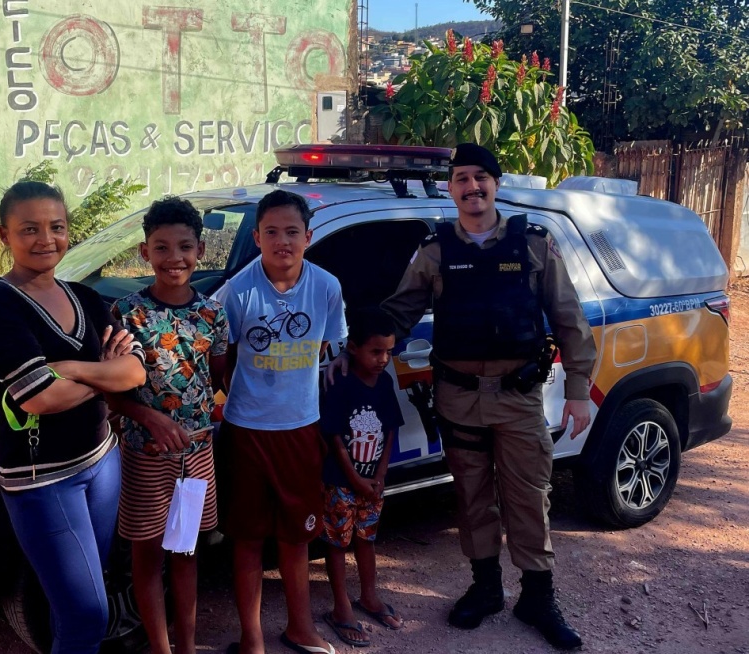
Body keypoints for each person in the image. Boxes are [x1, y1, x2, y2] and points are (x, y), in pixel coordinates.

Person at [329, 143, 596, 650]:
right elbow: (398, 313)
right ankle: (486, 588)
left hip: (518, 399)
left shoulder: (535, 244)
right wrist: (352, 348)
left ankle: (537, 595)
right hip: (457, 397)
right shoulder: (434, 252)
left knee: (528, 498)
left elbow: (570, 321)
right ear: (451, 189)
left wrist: (579, 391)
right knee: (472, 499)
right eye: (462, 179)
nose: (472, 187)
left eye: (481, 178)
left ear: (495, 184)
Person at [0, 181, 146, 654]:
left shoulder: (86, 299)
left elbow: (134, 370)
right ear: (5, 235)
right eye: (29, 229)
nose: (46, 239)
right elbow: (37, 399)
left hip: (101, 463)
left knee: (83, 594)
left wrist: (68, 368)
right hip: (43, 480)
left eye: (57, 227)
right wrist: (104, 374)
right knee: (87, 613)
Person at [216, 189, 347, 654]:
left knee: (297, 536)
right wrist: (244, 400)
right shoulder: (239, 291)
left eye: (292, 232)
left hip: (300, 429)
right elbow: (222, 359)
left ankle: (300, 626)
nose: (282, 241)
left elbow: (332, 354)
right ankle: (251, 637)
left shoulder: (327, 287)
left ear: (308, 237)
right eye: (271, 232)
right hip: (247, 432)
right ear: (256, 237)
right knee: (248, 538)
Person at [108, 196, 228, 654]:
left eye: (184, 247)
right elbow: (112, 391)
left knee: (184, 554)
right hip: (145, 457)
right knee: (147, 556)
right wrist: (146, 415)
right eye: (161, 247)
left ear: (200, 250)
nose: (174, 258)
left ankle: (188, 646)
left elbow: (219, 380)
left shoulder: (213, 315)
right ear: (145, 253)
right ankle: (160, 647)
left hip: (194, 459)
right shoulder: (127, 314)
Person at [320, 307, 405, 648]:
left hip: (373, 483)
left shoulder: (384, 382)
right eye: (376, 351)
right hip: (340, 482)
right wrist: (354, 477)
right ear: (352, 347)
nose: (383, 359)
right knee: (338, 543)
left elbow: (390, 429)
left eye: (388, 351)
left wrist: (380, 475)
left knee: (367, 539)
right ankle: (341, 607)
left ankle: (369, 597)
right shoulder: (340, 384)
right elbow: (335, 437)